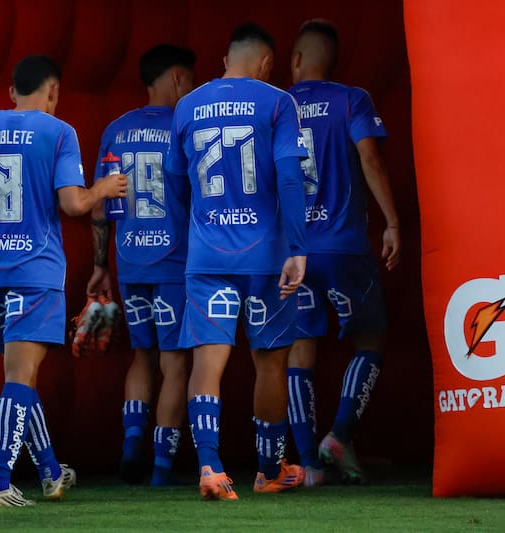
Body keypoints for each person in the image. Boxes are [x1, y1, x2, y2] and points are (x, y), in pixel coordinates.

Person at [0, 55, 127, 507]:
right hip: (36, 271)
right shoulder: (60, 133)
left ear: (12, 92)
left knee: (22, 376)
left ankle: (51, 472)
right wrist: (103, 188)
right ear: (53, 91)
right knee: (20, 377)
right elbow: (73, 204)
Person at [165, 23, 308, 501]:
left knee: (208, 359)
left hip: (207, 255)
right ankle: (269, 471)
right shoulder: (277, 102)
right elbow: (291, 178)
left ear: (226, 59)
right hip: (266, 257)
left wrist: (200, 230)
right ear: (267, 63)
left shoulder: (187, 106)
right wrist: (298, 247)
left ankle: (209, 466)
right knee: (271, 361)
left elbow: (174, 184)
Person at [286, 19, 400, 487]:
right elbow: (370, 158)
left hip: (293, 253)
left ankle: (309, 465)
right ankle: (340, 434)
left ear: (295, 60)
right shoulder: (351, 98)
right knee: (370, 339)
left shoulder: (278, 106)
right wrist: (393, 221)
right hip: (343, 247)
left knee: (298, 350)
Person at [86, 44, 196, 486]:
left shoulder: (116, 130)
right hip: (174, 263)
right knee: (174, 362)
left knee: (141, 354)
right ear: (175, 78)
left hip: (130, 262)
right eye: (190, 78)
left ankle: (132, 444)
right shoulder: (184, 124)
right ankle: (161, 467)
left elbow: (99, 205)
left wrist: (101, 264)